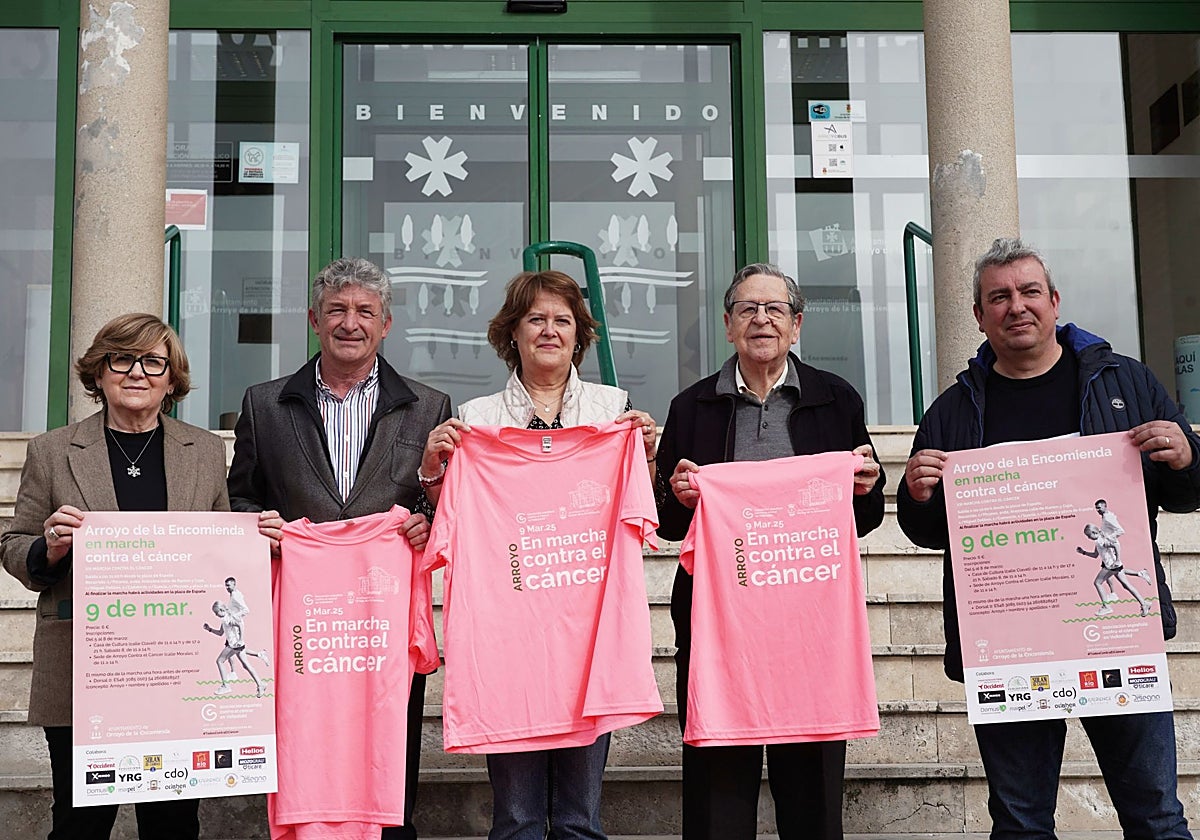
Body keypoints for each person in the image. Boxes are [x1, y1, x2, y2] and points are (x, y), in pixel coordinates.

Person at [897, 237, 1198, 839]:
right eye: (999, 298)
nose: (1017, 307)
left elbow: (1184, 493)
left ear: (1055, 301)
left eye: (1030, 292)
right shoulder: (952, 410)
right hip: (1009, 643)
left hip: (1114, 641)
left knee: (1157, 817)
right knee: (1019, 822)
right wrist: (917, 494)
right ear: (979, 317)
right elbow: (926, 532)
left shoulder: (1127, 382)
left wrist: (1187, 457)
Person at [419, 269, 658, 840]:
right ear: (513, 334)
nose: (549, 331)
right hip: (509, 650)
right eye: (535, 320)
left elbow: (642, 514)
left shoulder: (613, 412)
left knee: (580, 820)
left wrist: (644, 454)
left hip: (589, 640)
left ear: (579, 336)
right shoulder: (476, 422)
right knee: (517, 821)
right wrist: (433, 469)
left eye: (562, 321)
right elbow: (443, 523)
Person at [656, 262, 884, 840]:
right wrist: (680, 495)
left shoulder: (836, 400)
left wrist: (867, 486)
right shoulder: (691, 407)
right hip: (716, 624)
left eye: (775, 309)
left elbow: (863, 516)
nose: (762, 319)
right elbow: (666, 520)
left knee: (811, 794)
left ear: (797, 324)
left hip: (810, 624)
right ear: (728, 326)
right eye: (748, 310)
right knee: (717, 791)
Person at [0, 313, 248, 840]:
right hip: (85, 667)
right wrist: (49, 546)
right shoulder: (52, 450)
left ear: (171, 377)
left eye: (153, 361)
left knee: (174, 823)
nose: (138, 372)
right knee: (80, 824)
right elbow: (14, 545)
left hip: (176, 672)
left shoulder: (204, 451)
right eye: (122, 359)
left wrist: (256, 543)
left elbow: (223, 548)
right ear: (100, 371)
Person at [227, 256, 450, 840]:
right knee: (304, 735)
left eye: (365, 311)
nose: (350, 322)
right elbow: (240, 498)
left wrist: (426, 521)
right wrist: (262, 529)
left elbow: (446, 501)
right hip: (305, 615)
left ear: (386, 324)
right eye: (337, 310)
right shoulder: (264, 403)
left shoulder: (428, 406)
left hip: (384, 611)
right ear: (313, 319)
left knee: (391, 736)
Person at [1077, 524, 1151, 616]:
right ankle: (1144, 603)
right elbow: (1095, 555)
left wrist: (1117, 560)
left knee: (1097, 583)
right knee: (1126, 585)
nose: (1088, 538)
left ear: (1094, 532)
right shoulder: (1098, 541)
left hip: (1111, 566)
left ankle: (1106, 607)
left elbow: (1116, 545)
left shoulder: (1102, 541)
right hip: (1113, 566)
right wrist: (1083, 552)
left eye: (1088, 536)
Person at [204, 601, 265, 697]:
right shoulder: (225, 619)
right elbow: (220, 633)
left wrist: (240, 639)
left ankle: (226, 686)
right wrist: (210, 629)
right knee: (246, 665)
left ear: (221, 610)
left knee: (220, 661)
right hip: (236, 645)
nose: (216, 615)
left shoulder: (228, 619)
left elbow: (240, 625)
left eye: (216, 613)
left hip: (234, 645)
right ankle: (260, 684)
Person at [222, 575, 268, 667]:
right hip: (232, 625)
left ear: (234, 585)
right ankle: (259, 654)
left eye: (228, 585)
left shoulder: (235, 596)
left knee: (234, 650)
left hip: (235, 625)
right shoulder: (234, 594)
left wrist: (233, 616)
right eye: (226, 585)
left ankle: (233, 673)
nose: (227, 588)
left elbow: (246, 610)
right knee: (237, 649)